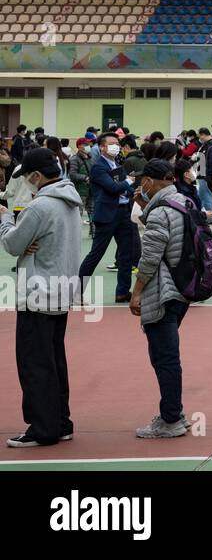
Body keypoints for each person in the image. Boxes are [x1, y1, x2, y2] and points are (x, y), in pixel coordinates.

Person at [1, 148, 83, 448]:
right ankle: (60, 422)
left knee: (35, 363)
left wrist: (6, 218)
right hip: (61, 290)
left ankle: (42, 428)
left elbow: (12, 244)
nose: (27, 183)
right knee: (54, 361)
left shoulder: (40, 207)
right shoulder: (70, 200)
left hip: (38, 292)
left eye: (28, 178)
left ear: (37, 176)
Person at [126, 159, 198, 439]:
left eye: (140, 181)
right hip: (184, 289)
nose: (138, 186)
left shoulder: (161, 213)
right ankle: (174, 413)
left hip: (163, 292)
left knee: (164, 357)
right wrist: (146, 209)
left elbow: (151, 256)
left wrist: (137, 291)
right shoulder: (183, 201)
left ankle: (171, 419)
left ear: (148, 182)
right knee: (167, 354)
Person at [80, 132, 138, 304]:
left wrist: (131, 188)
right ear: (102, 147)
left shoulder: (116, 164)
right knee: (96, 254)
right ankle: (76, 292)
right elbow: (113, 188)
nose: (116, 146)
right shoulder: (99, 167)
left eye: (117, 143)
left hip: (124, 213)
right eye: (112, 143)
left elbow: (124, 189)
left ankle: (122, 292)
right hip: (107, 215)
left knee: (126, 254)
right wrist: (128, 182)